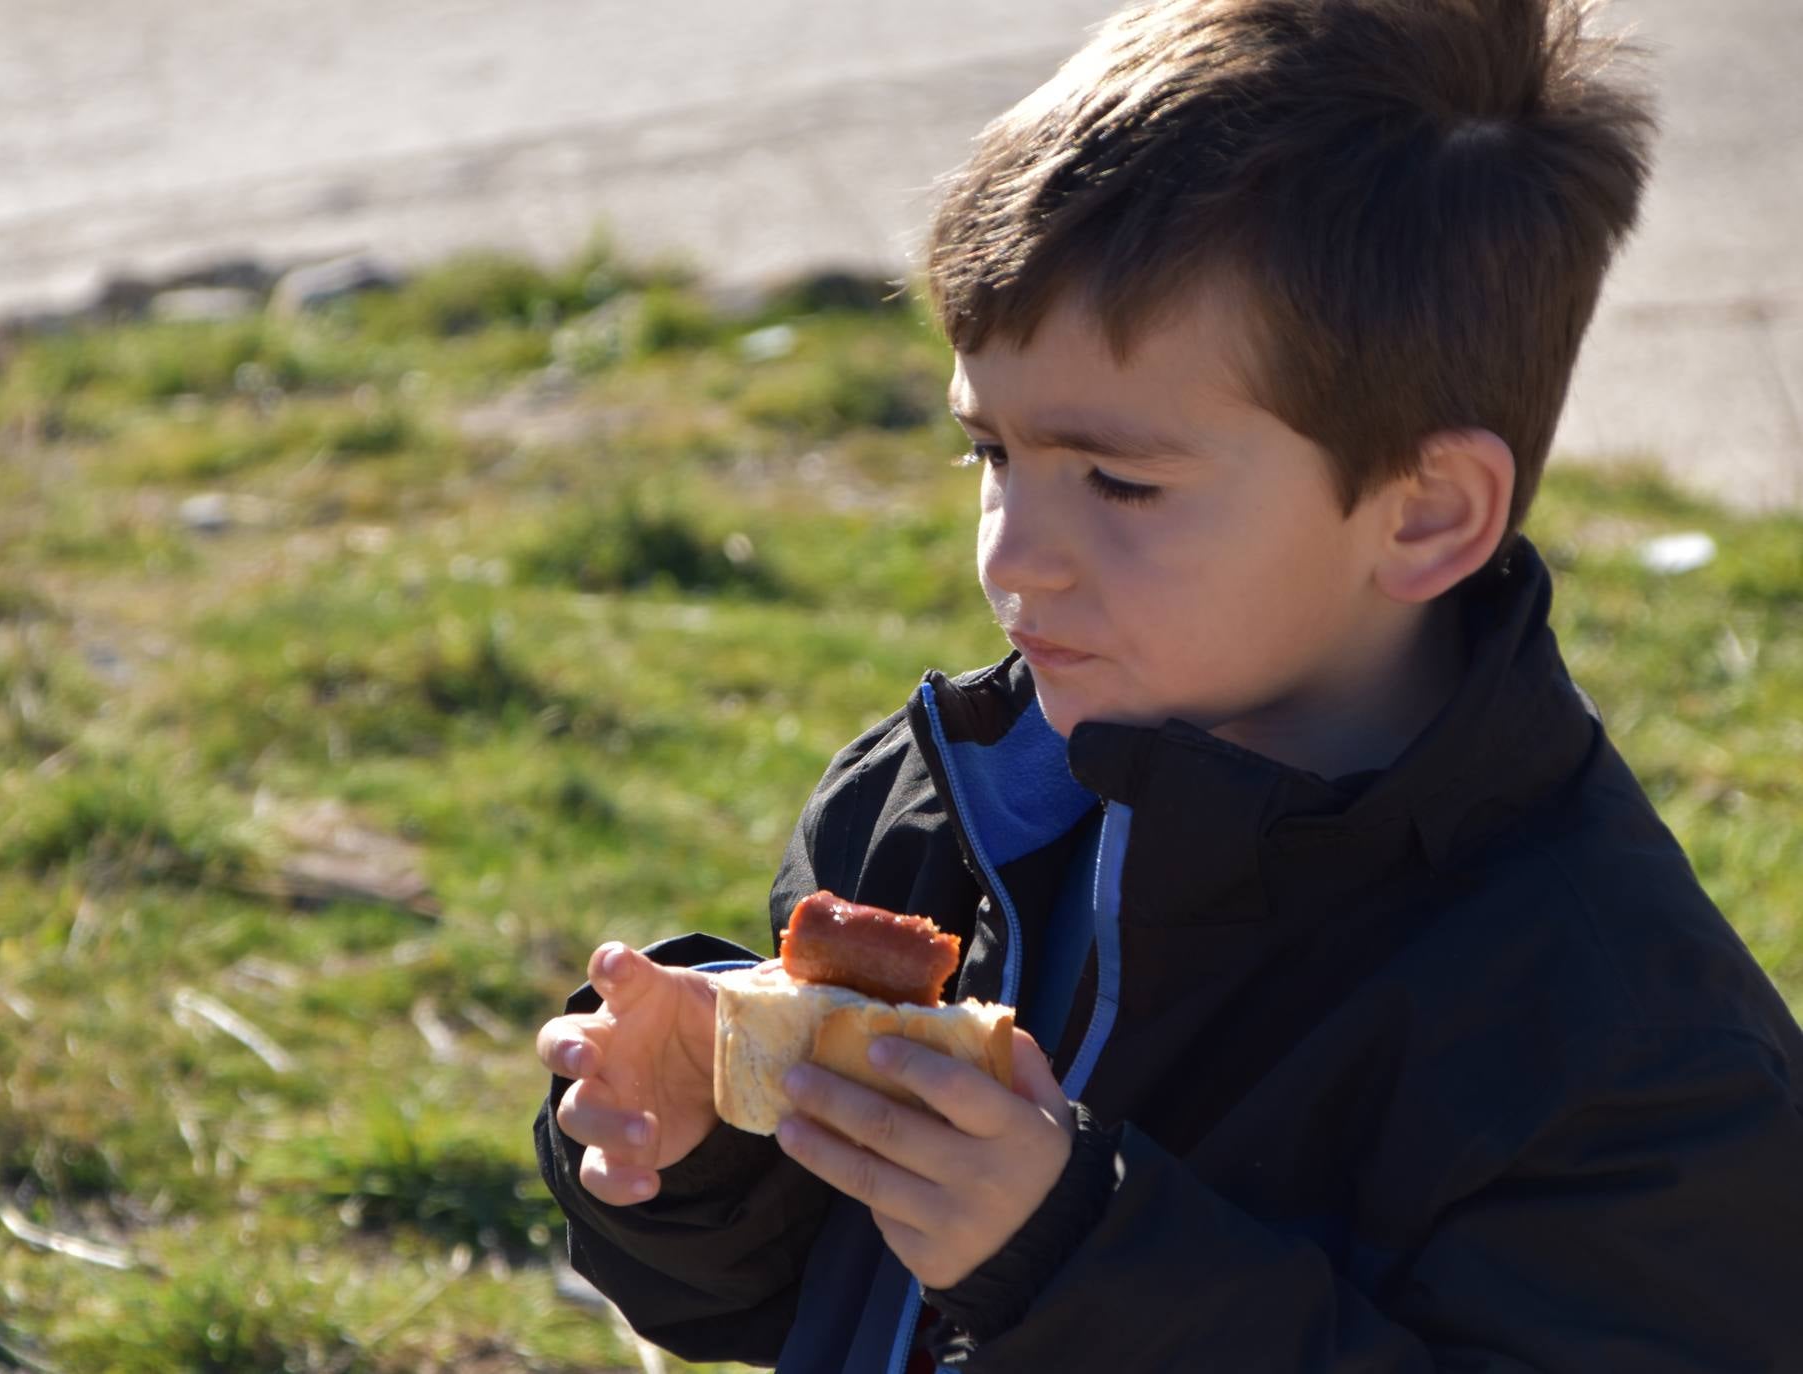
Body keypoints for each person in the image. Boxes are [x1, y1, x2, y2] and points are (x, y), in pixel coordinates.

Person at [533, 0, 1803, 1368]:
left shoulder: (1618, 1048)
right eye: (992, 456)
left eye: (1121, 482)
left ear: (1426, 510)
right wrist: (700, 1150)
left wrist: (1071, 1262)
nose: (1012, 557)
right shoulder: (939, 808)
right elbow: (796, 1292)